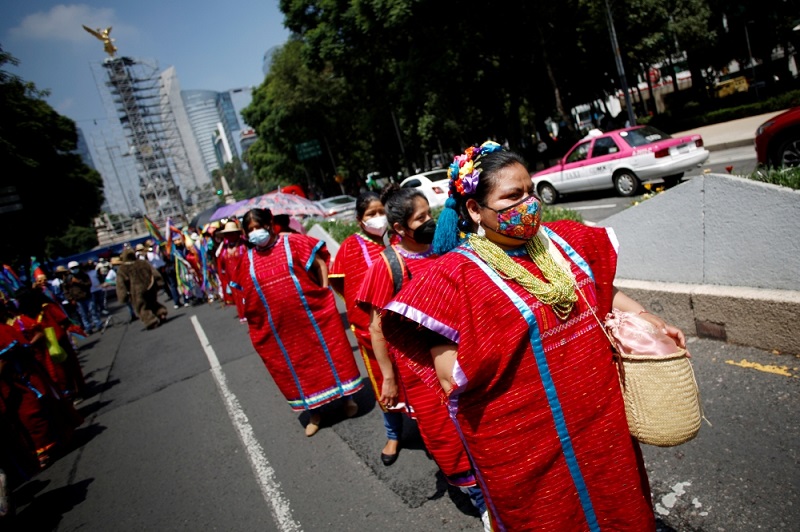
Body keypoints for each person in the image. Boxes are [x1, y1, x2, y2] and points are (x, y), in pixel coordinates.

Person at [381, 141, 686, 530]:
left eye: (530, 191)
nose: (528, 203)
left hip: (599, 418)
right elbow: (448, 373)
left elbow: (599, 290)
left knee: (618, 502)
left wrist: (648, 319)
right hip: (523, 440)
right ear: (475, 209)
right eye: (512, 196)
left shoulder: (564, 242)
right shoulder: (455, 276)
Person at [355, 186, 487, 525]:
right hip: (421, 373)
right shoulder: (387, 266)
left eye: (430, 213)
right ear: (399, 228)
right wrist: (388, 378)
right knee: (446, 435)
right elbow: (377, 329)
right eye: (421, 218)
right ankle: (482, 502)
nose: (431, 222)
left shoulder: (442, 247)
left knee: (481, 423)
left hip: (463, 357)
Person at [234, 208, 362, 437]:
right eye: (250, 230)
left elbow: (320, 264)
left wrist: (324, 293)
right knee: (298, 370)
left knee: (331, 355)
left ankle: (347, 399)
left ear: (269, 225)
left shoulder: (291, 243)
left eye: (258, 227)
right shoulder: (248, 260)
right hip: (281, 331)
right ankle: (315, 413)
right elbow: (246, 295)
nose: (255, 233)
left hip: (312, 318)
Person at [329, 192, 387, 416]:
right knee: (382, 379)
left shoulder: (398, 238)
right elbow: (340, 283)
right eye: (371, 214)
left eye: (381, 212)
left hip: (404, 324)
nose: (378, 217)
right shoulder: (350, 246)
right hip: (369, 326)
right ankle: (393, 432)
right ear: (359, 220)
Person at [115, 249, 167, 330]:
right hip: (150, 286)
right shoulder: (143, 263)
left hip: (136, 291)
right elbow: (154, 273)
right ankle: (161, 313)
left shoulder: (122, 269)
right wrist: (159, 282)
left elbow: (121, 284)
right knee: (153, 302)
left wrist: (123, 296)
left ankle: (151, 321)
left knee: (141, 307)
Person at [216, 220, 247, 322]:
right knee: (237, 296)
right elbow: (221, 263)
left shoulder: (244, 245)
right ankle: (242, 314)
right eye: (227, 234)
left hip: (245, 276)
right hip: (232, 278)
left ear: (237, 233)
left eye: (231, 233)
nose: (229, 236)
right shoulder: (224, 248)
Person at [65, 261, 102, 334]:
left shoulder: (84, 275)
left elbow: (89, 284)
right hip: (77, 299)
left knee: (93, 311)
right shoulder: (68, 279)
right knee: (83, 315)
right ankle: (88, 328)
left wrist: (78, 282)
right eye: (73, 268)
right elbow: (66, 290)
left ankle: (98, 325)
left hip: (87, 296)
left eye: (76, 267)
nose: (75, 269)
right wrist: (70, 299)